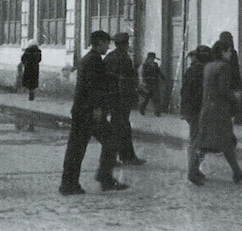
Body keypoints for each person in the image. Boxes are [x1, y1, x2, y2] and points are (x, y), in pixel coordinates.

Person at [60, 30, 126, 195]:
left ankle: (71, 184)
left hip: (83, 110)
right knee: (106, 142)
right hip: (89, 112)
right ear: (100, 43)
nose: (108, 46)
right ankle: (101, 179)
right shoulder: (93, 60)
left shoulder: (90, 59)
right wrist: (97, 108)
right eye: (106, 43)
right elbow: (91, 88)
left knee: (77, 148)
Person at [198, 40, 242, 183]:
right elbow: (223, 90)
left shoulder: (208, 66)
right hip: (219, 111)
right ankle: (193, 171)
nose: (230, 54)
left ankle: (237, 172)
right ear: (223, 52)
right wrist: (236, 96)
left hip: (208, 108)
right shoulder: (224, 67)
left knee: (221, 142)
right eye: (229, 51)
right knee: (212, 143)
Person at [104, 32, 145, 166]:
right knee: (122, 128)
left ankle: (117, 157)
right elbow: (125, 81)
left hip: (111, 97)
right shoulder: (124, 58)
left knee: (116, 127)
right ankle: (126, 157)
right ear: (125, 44)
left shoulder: (109, 57)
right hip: (121, 99)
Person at [181, 45, 213, 185]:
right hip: (198, 111)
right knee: (197, 142)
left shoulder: (190, 70)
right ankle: (192, 172)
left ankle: (195, 169)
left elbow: (183, 91)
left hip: (190, 110)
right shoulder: (203, 71)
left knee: (197, 140)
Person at [218, 31, 242, 124]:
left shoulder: (220, 52)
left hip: (225, 80)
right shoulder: (233, 52)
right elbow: (236, 69)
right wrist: (238, 84)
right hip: (232, 81)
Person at [139, 52, 165, 116]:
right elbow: (142, 74)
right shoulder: (144, 65)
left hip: (155, 83)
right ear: (148, 58)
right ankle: (141, 109)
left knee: (156, 98)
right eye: (152, 58)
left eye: (153, 58)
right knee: (146, 98)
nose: (153, 60)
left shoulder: (155, 64)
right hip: (147, 84)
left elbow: (159, 72)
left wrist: (163, 78)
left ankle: (157, 112)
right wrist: (144, 82)